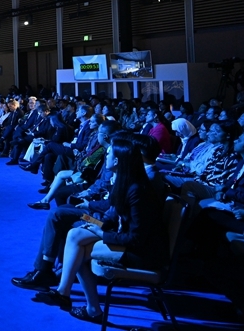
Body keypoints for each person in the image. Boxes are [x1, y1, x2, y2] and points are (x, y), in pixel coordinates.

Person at [35, 137, 165, 324]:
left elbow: (136, 238)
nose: (106, 155)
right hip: (126, 239)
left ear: (117, 161)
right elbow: (111, 218)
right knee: (75, 234)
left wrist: (101, 233)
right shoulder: (126, 182)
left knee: (78, 250)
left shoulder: (137, 189)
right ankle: (67, 295)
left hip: (142, 253)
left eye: (109, 153)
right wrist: (92, 222)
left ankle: (77, 301)